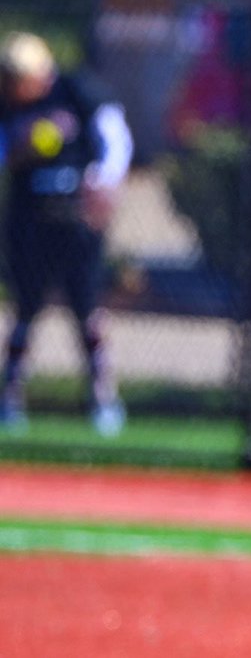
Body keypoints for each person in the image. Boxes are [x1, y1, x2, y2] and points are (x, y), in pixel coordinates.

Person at [0, 31, 133, 437]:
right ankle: (10, 400)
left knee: (87, 312)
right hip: (29, 221)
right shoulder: (7, 104)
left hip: (78, 222)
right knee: (26, 309)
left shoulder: (77, 90)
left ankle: (103, 399)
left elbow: (115, 138)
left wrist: (105, 181)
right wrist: (23, 147)